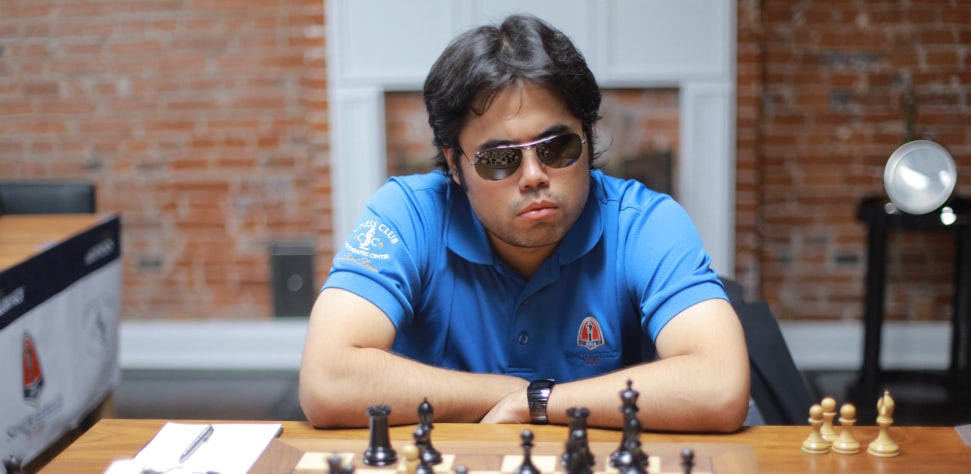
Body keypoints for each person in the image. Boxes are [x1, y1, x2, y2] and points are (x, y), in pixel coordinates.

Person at [299, 14, 749, 432]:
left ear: (588, 141)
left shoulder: (645, 222)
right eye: (499, 159)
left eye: (557, 148)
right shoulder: (408, 214)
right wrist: (513, 394)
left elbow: (721, 386)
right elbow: (326, 381)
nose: (534, 176)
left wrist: (540, 403)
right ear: (455, 165)